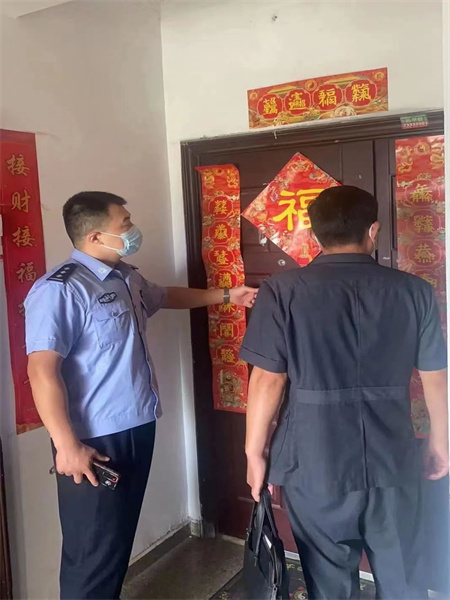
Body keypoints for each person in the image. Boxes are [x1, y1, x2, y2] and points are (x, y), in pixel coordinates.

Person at [25, 191, 257, 600]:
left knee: (116, 540)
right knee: (92, 551)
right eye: (125, 224)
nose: (133, 230)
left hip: (137, 425)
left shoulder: (126, 277)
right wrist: (66, 446)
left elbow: (164, 296)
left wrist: (226, 295)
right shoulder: (60, 289)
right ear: (96, 236)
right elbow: (41, 371)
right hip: (93, 441)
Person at [240, 186, 449, 600]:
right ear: (373, 230)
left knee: (328, 579)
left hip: (313, 459)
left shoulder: (282, 290)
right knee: (403, 574)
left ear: (314, 235)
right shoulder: (415, 291)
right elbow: (435, 376)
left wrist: (253, 453)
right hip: (393, 456)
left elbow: (267, 380)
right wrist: (440, 441)